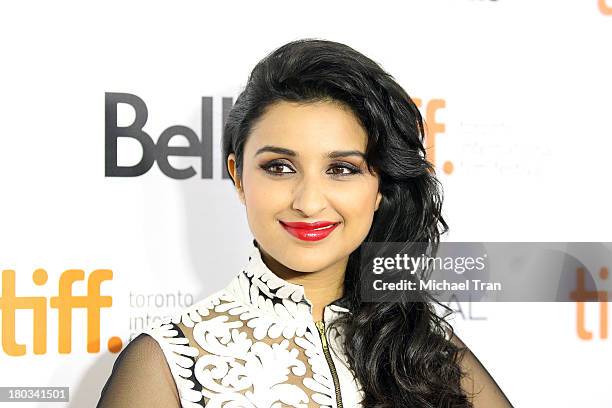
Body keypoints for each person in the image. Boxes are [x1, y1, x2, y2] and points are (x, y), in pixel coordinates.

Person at [97, 38, 513, 408]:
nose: (309, 202)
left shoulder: (425, 349)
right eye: (279, 167)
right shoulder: (167, 362)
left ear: (381, 184)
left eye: (342, 169)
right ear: (239, 177)